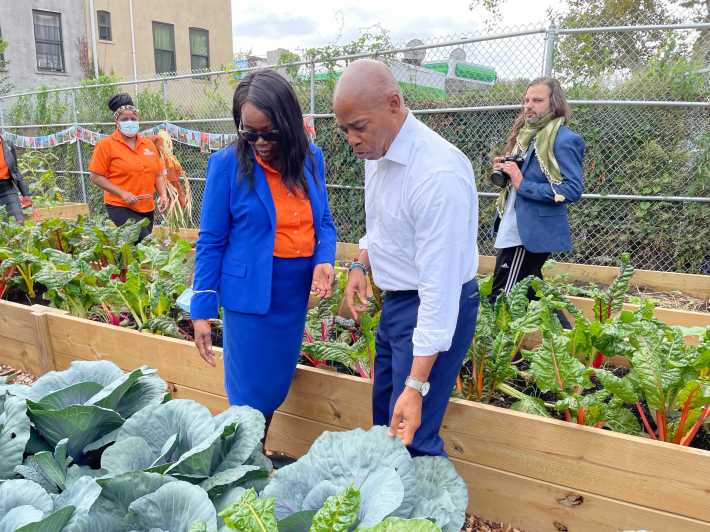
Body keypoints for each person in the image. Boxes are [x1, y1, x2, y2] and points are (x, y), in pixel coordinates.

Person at [333, 59, 479, 457]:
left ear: (394, 104)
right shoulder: (377, 152)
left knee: (412, 433)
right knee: (385, 423)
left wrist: (416, 387)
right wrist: (362, 262)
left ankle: (430, 515)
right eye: (344, 130)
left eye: (358, 126)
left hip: (435, 304)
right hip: (399, 302)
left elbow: (439, 291)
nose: (351, 139)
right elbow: (382, 223)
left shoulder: (437, 174)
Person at [190, 69, 337, 441]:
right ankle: (246, 460)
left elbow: (324, 221)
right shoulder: (227, 166)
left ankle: (253, 454)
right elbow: (210, 241)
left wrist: (324, 258)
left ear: (288, 123)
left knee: (275, 385)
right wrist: (202, 309)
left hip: (292, 293)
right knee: (248, 394)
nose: (260, 142)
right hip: (249, 296)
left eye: (269, 133)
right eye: (249, 133)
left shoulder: (310, 159)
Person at [490, 77, 584, 303]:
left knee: (502, 299)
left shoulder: (564, 140)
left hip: (527, 233)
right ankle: (565, 334)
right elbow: (519, 180)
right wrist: (505, 171)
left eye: (537, 100)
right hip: (513, 223)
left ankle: (501, 338)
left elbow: (572, 189)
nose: (528, 105)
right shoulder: (526, 135)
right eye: (526, 100)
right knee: (532, 295)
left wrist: (523, 183)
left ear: (554, 103)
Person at [89, 93, 168, 241]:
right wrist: (122, 193)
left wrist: (163, 195)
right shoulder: (106, 145)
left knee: (137, 252)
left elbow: (157, 174)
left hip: (146, 206)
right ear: (117, 122)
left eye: (133, 118)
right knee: (145, 243)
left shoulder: (148, 144)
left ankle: (119, 263)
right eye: (124, 119)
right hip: (120, 206)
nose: (129, 122)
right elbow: (95, 176)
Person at [151, 130, 189, 210]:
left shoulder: (171, 159)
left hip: (173, 184)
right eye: (166, 142)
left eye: (169, 142)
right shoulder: (160, 158)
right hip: (166, 185)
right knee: (170, 202)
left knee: (177, 201)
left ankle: (173, 217)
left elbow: (178, 172)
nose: (168, 144)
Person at [0, 135, 32, 223]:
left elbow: (15, 170)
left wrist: (25, 194)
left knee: (18, 221)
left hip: (7, 188)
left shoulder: (8, 145)